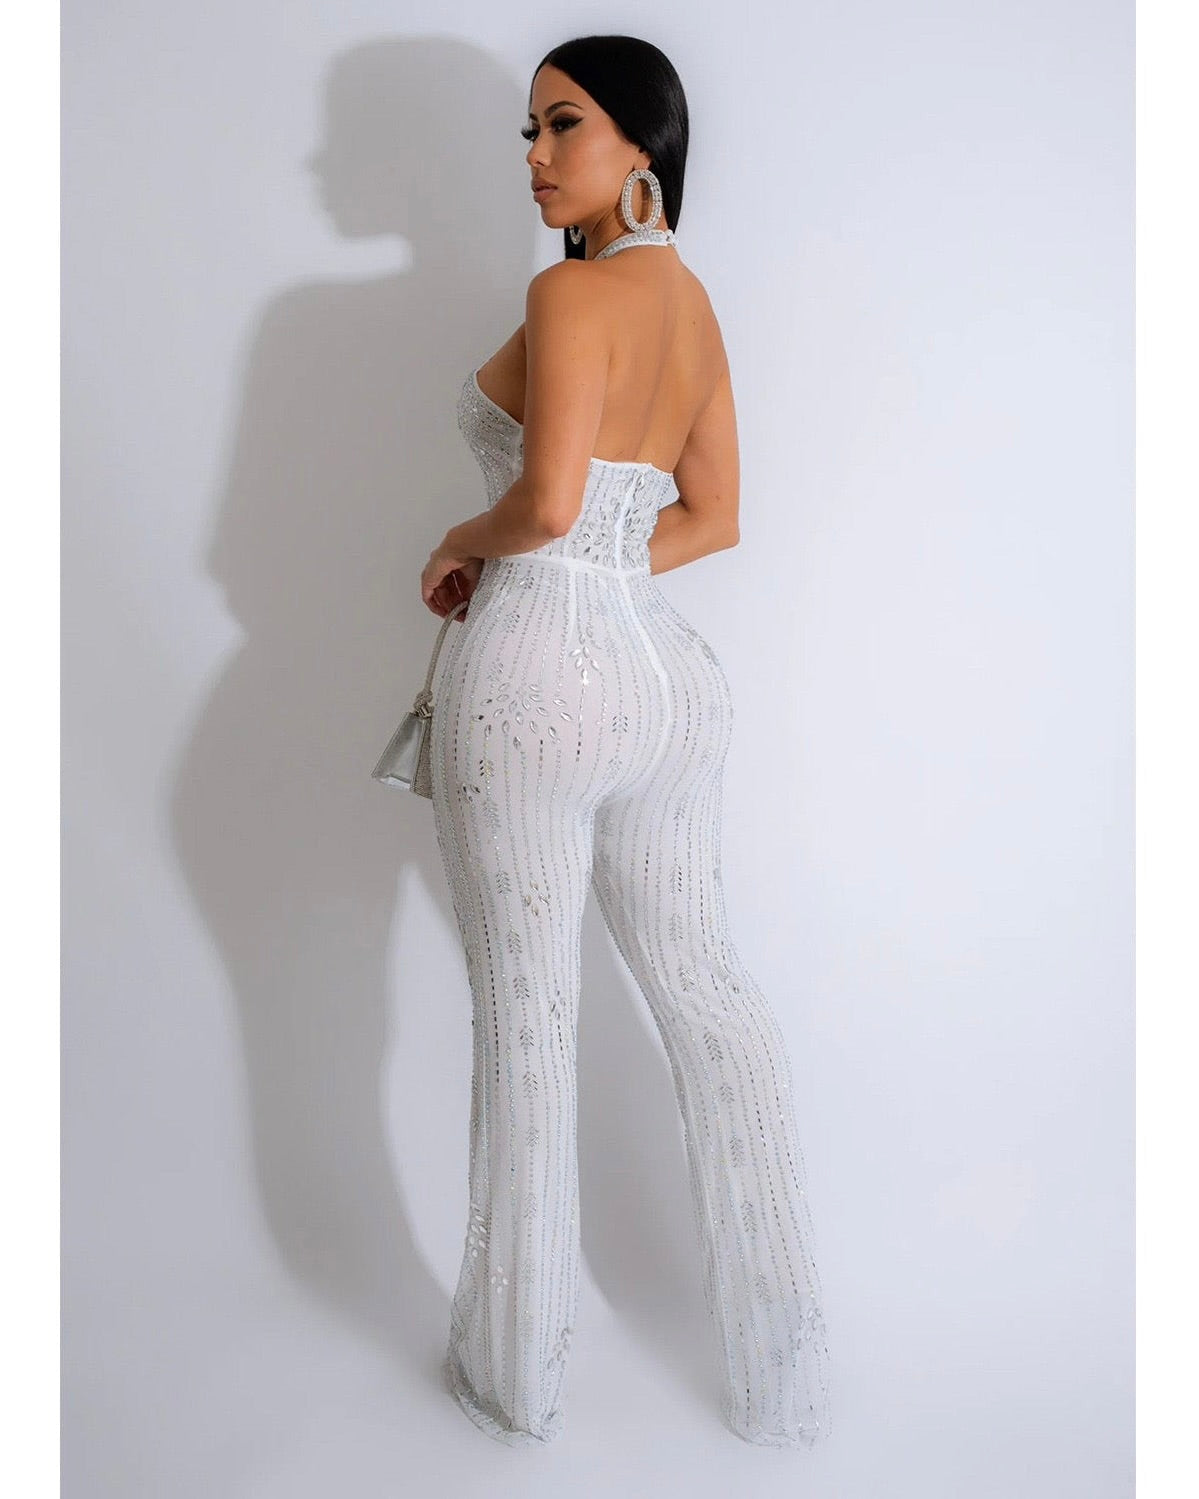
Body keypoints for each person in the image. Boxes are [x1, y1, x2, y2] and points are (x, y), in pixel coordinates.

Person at [418, 34, 831, 1449]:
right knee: (710, 994)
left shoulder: (569, 292)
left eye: (563, 125)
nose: (536, 158)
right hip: (669, 683)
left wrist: (461, 544)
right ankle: (786, 1370)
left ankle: (514, 1381)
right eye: (527, 132)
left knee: (531, 1017)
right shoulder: (692, 304)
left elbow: (541, 506)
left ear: (640, 146)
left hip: (536, 671)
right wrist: (598, 573)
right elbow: (714, 518)